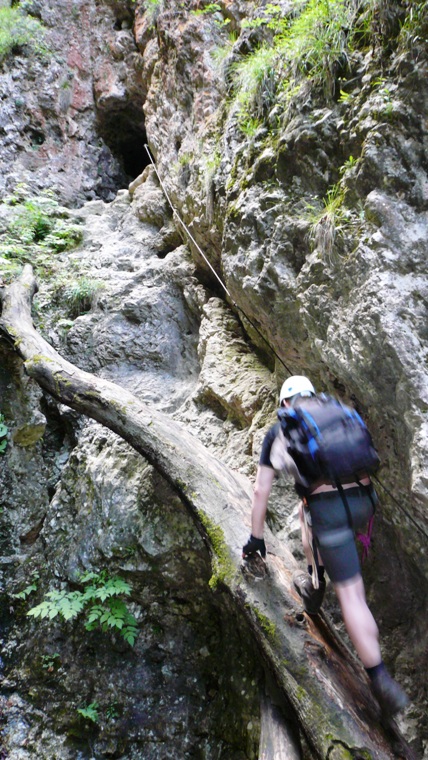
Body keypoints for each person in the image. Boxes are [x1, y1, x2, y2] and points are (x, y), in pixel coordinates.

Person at [242, 375, 409, 718]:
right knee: (307, 510)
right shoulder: (337, 412)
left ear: (285, 402)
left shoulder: (283, 429)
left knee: (351, 595)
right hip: (364, 502)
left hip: (330, 512)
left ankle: (380, 681)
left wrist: (256, 538)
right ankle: (315, 581)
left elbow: (261, 491)